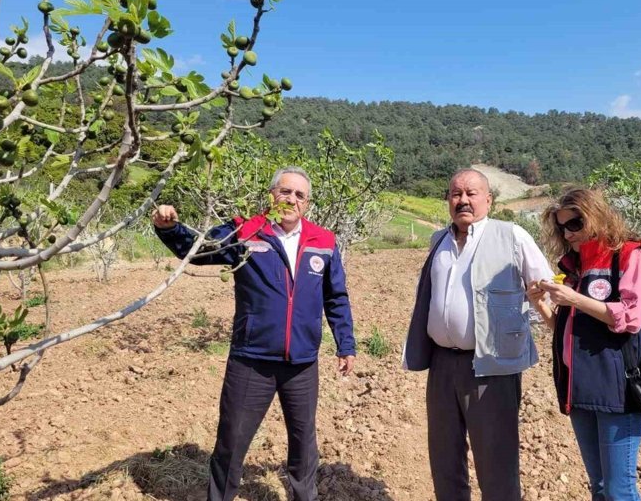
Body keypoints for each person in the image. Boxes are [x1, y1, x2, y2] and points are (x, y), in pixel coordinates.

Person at [153, 167, 356, 501]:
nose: (292, 199)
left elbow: (335, 297)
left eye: (300, 195)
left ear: (308, 203)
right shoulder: (246, 230)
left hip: (302, 363)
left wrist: (345, 344)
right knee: (231, 442)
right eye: (285, 192)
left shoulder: (325, 241)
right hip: (251, 361)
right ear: (272, 194)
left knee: (304, 444)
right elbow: (200, 249)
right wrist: (170, 229)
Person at [402, 168, 554, 501]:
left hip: (491, 368)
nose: (463, 200)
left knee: (496, 464)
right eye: (456, 194)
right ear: (447, 201)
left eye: (472, 193)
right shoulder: (438, 241)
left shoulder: (512, 236)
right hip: (442, 365)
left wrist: (518, 326)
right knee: (444, 459)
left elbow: (547, 289)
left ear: (489, 199)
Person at [528, 187, 641, 501]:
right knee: (599, 487)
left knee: (618, 490)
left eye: (575, 224)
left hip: (615, 390)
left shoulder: (627, 255)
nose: (568, 233)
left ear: (595, 217)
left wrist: (576, 299)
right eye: (561, 227)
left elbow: (630, 318)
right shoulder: (574, 267)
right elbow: (566, 329)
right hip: (579, 388)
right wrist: (540, 304)